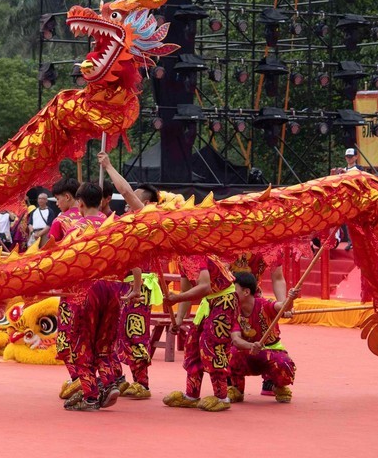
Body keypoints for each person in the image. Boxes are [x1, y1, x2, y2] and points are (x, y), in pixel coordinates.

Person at [98, 152, 166, 399]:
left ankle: (142, 383)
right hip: (121, 284)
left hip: (138, 285)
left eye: (134, 199)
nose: (127, 202)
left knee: (135, 332)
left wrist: (108, 166)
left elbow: (125, 191)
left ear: (145, 203)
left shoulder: (147, 217)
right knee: (116, 334)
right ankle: (118, 378)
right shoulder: (128, 220)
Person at [57, 183, 124, 411]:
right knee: (104, 343)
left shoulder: (76, 229)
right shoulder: (115, 225)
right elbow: (130, 258)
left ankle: (90, 396)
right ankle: (109, 382)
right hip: (113, 288)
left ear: (81, 203)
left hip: (88, 290)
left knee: (82, 343)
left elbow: (65, 263)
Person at [163, 254, 237, 412]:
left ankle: (221, 396)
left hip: (224, 300)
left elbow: (204, 287)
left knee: (212, 344)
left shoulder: (196, 255)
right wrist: (179, 319)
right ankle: (192, 394)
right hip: (209, 301)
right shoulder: (181, 259)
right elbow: (186, 290)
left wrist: (177, 298)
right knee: (192, 344)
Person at [227, 272, 296, 404]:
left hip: (270, 351)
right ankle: (236, 388)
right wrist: (251, 346)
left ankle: (279, 386)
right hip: (247, 351)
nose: (230, 294)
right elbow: (235, 339)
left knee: (283, 363)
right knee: (230, 354)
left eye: (233, 290)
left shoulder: (264, 304)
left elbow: (283, 307)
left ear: (246, 292)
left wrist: (290, 299)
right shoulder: (233, 311)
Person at [47, 177, 85, 401]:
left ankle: (79, 378)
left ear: (68, 197)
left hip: (72, 290)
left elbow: (49, 255)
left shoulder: (60, 221)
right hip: (100, 287)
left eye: (58, 199)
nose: (57, 203)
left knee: (66, 338)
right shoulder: (97, 218)